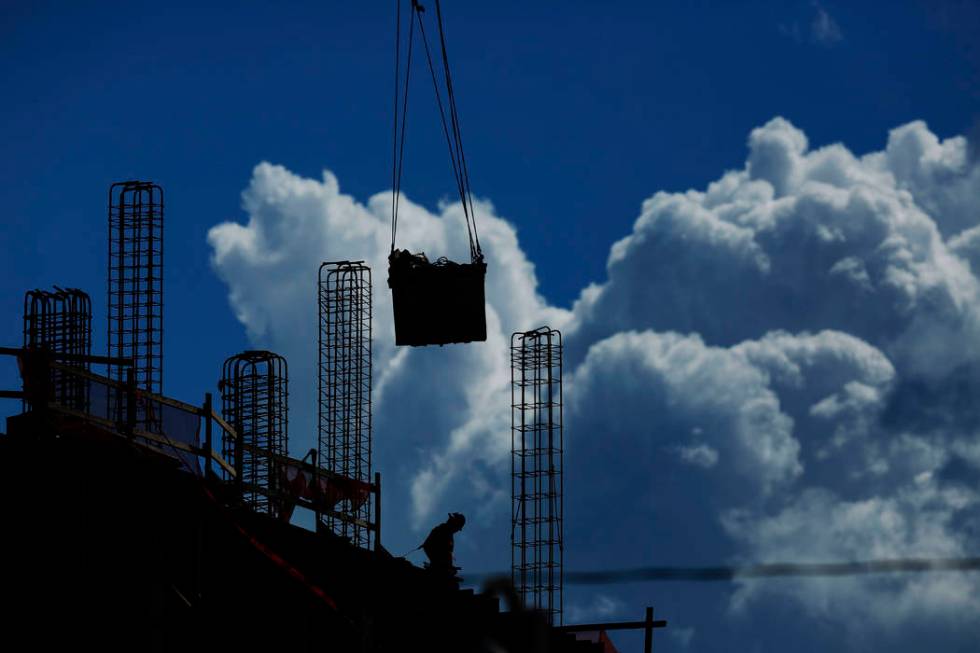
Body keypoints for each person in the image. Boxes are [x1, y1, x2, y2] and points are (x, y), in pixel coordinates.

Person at [422, 512, 466, 581]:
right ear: (454, 523)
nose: (457, 530)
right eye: (458, 527)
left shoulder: (447, 533)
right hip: (438, 567)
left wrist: (450, 566)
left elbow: (447, 553)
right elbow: (427, 546)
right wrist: (438, 563)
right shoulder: (442, 530)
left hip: (441, 567)